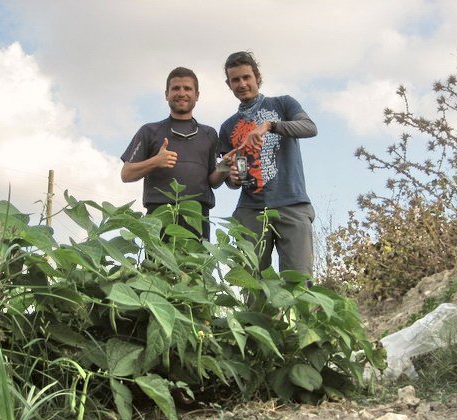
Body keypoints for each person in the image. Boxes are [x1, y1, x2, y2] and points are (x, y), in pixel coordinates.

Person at [219, 51, 317, 276]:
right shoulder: (227, 127)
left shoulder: (283, 104)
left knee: (299, 283)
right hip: (250, 210)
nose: (242, 84)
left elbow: (310, 127)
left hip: (291, 203)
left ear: (257, 77)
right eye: (236, 80)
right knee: (252, 286)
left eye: (247, 77)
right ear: (229, 84)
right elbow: (234, 177)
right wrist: (232, 178)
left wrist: (270, 125)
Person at [121, 67, 225, 240]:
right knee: (157, 267)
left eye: (187, 88)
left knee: (196, 266)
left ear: (197, 95)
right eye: (176, 88)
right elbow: (126, 174)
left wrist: (225, 167)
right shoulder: (149, 131)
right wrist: (155, 161)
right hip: (159, 216)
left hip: (197, 216)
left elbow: (213, 182)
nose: (181, 93)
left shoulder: (209, 134)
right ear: (166, 94)